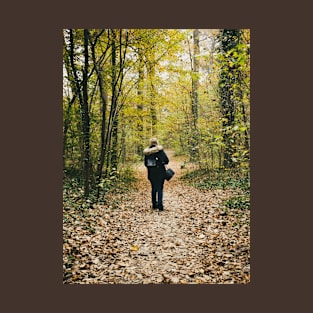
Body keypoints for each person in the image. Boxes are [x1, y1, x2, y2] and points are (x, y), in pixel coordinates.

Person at [143, 138, 169, 211]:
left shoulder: (147, 152)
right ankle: (160, 205)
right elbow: (166, 160)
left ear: (150, 143)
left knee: (153, 188)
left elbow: (145, 163)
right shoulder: (160, 151)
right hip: (160, 172)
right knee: (160, 188)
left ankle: (154, 204)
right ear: (157, 142)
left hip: (151, 173)